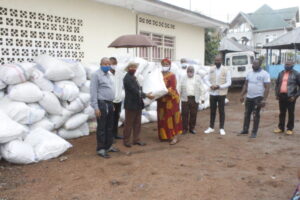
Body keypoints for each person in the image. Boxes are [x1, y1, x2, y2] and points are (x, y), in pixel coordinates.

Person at [90, 57, 119, 158]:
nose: (107, 66)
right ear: (100, 64)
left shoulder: (108, 75)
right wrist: (96, 107)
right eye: (105, 64)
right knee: (102, 127)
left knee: (110, 126)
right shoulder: (96, 75)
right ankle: (101, 149)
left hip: (109, 104)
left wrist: (112, 104)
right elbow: (93, 92)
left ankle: (108, 145)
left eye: (108, 64)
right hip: (101, 104)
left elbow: (109, 89)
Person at [123, 62, 154, 147]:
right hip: (130, 104)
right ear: (128, 68)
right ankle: (126, 140)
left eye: (135, 67)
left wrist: (145, 93)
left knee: (137, 123)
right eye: (132, 67)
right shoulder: (127, 78)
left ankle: (136, 139)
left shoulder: (134, 77)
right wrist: (146, 95)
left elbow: (139, 90)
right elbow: (134, 91)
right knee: (129, 123)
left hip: (137, 103)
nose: (134, 69)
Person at [239, 59, 271, 138]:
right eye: (253, 64)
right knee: (247, 114)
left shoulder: (265, 74)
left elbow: (267, 88)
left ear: (260, 64)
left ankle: (254, 132)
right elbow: (246, 85)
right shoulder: (249, 73)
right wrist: (242, 95)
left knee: (256, 115)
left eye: (256, 64)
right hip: (249, 97)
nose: (254, 65)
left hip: (258, 97)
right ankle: (245, 130)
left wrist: (264, 99)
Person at [157, 58, 183, 145]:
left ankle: (174, 137)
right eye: (163, 64)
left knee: (172, 118)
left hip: (171, 100)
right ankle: (165, 136)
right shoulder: (159, 75)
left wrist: (163, 91)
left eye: (167, 64)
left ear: (170, 66)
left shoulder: (172, 75)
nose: (165, 66)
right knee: (162, 118)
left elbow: (172, 87)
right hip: (161, 100)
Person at [204, 55, 231, 135]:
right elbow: (206, 79)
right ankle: (211, 127)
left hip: (221, 94)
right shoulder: (211, 69)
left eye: (218, 61)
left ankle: (221, 128)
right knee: (212, 111)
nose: (217, 62)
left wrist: (220, 86)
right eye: (216, 61)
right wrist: (210, 85)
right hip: (212, 93)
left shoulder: (226, 70)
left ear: (221, 61)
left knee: (221, 111)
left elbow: (229, 82)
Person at [274, 60, 300, 135]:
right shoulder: (281, 73)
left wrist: (295, 96)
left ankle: (290, 128)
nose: (287, 65)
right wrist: (277, 94)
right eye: (286, 64)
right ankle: (281, 128)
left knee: (291, 113)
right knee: (282, 113)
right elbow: (277, 84)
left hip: (291, 97)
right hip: (281, 96)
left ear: (293, 65)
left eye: (289, 64)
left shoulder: (296, 74)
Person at [179, 65, 205, 134]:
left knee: (193, 114)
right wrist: (177, 97)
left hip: (194, 99)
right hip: (185, 99)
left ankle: (192, 128)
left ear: (193, 72)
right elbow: (178, 87)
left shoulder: (197, 78)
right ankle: (184, 129)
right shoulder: (183, 78)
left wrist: (202, 98)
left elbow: (202, 88)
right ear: (186, 71)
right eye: (188, 71)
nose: (190, 73)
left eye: (191, 71)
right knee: (184, 114)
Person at [109, 57, 123, 140]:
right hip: (111, 101)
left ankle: (115, 134)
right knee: (110, 119)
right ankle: (110, 137)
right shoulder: (107, 74)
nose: (113, 65)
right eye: (111, 63)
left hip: (118, 100)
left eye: (114, 63)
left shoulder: (119, 73)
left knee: (116, 118)